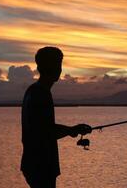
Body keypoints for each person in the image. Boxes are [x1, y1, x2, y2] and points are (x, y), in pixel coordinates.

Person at [21, 46, 92, 188]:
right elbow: (45, 131)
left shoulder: (34, 90)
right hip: (40, 164)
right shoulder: (40, 94)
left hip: (34, 163)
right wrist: (72, 130)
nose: (60, 69)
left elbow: (43, 128)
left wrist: (72, 130)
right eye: (58, 64)